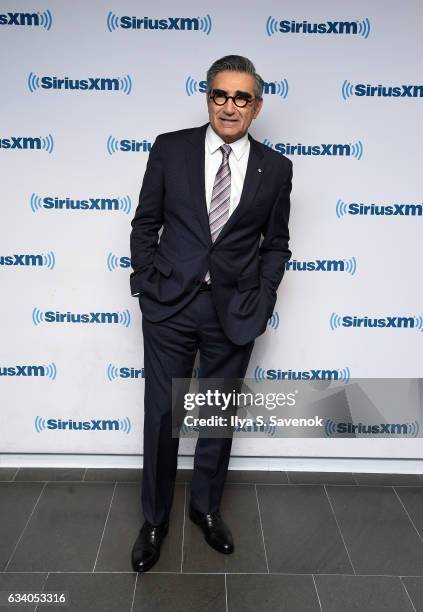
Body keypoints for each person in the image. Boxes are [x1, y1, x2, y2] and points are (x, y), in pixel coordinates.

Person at [129, 55, 293, 573]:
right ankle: (154, 519)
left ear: (257, 106)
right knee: (162, 416)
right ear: (208, 97)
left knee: (215, 416)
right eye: (221, 95)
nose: (230, 106)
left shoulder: (277, 168)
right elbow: (144, 224)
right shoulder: (170, 148)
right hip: (171, 306)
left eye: (241, 97)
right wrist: (149, 286)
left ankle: (205, 508)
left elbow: (277, 244)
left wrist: (263, 297)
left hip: (234, 310)